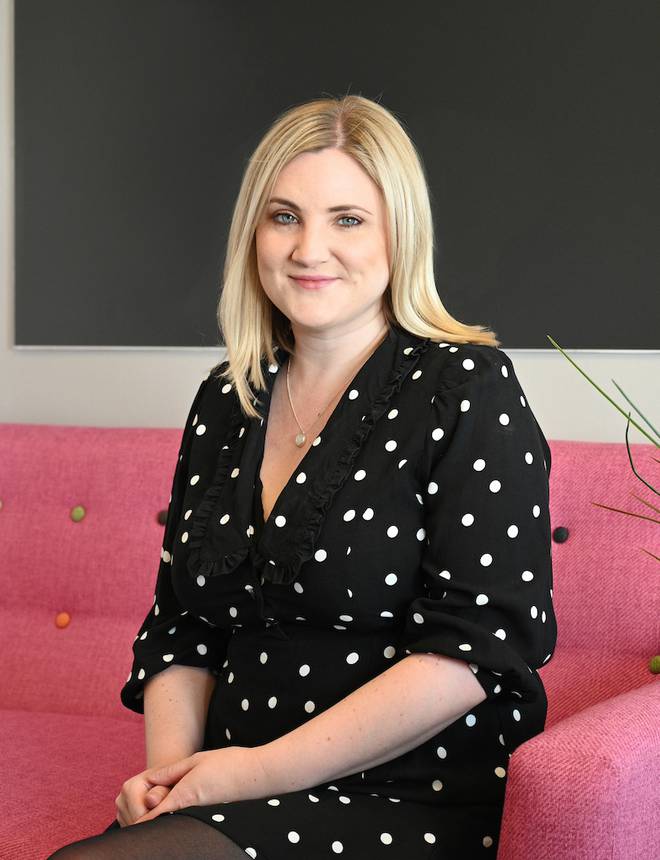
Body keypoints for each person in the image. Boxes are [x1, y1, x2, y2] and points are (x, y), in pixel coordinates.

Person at [49, 94, 557, 859]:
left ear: (398, 233)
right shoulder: (228, 397)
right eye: (284, 216)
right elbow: (181, 628)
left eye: (347, 219)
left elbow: (474, 651)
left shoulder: (466, 387)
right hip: (224, 788)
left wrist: (242, 777)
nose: (308, 249)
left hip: (410, 791)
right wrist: (169, 781)